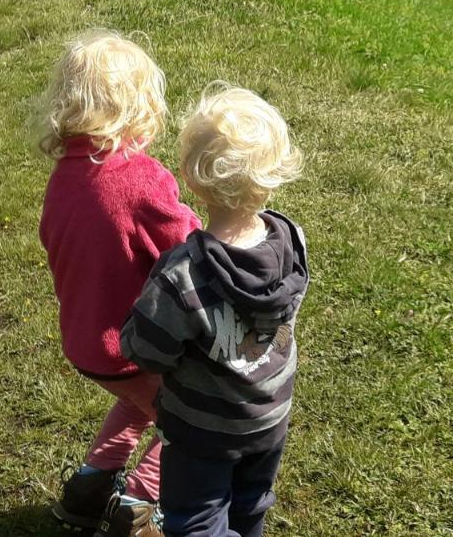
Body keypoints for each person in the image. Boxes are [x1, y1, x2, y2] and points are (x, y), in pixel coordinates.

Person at [121, 84, 306, 537]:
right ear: (274, 175)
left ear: (190, 176)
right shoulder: (291, 240)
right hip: (269, 415)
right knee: (251, 504)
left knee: (197, 523)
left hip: (202, 431)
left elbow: (146, 350)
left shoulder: (182, 273)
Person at [37, 30, 200, 536]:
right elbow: (188, 245)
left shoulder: (66, 174)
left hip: (87, 342)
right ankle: (138, 503)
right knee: (191, 423)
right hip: (136, 345)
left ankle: (87, 491)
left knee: (137, 404)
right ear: (141, 107)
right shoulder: (140, 178)